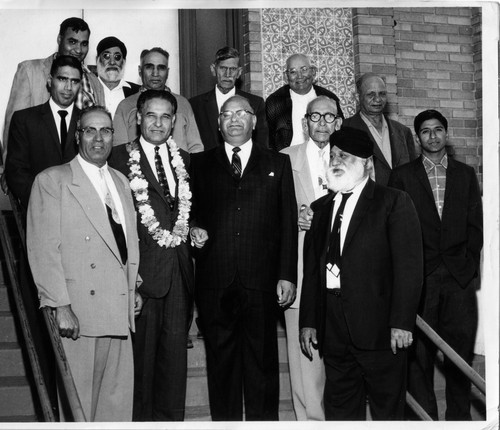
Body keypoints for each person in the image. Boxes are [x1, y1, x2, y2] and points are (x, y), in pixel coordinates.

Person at [26, 105, 142, 421]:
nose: (98, 138)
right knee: (79, 410)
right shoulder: (54, 180)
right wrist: (59, 306)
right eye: (90, 130)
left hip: (118, 312)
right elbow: (43, 249)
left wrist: (133, 286)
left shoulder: (121, 182)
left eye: (105, 130)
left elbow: (124, 244)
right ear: (78, 135)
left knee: (115, 409)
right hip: (79, 314)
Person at [299, 127, 423, 420]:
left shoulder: (393, 202)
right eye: (334, 155)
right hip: (334, 331)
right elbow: (313, 271)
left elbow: (410, 268)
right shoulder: (320, 209)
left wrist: (402, 323)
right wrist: (309, 321)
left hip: (381, 332)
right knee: (340, 411)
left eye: (346, 156)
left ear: (367, 163)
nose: (337, 161)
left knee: (387, 412)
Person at [189, 95, 297, 420]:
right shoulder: (200, 164)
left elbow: (287, 223)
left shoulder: (277, 163)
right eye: (227, 114)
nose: (234, 119)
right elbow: (189, 213)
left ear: (254, 120)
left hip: (261, 283)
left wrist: (287, 274)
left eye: (241, 113)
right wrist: (193, 227)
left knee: (262, 370)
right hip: (215, 283)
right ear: (219, 123)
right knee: (221, 371)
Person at [388, 109, 483, 421]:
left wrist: (467, 268)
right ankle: (423, 421)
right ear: (418, 138)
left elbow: (475, 227)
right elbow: (396, 230)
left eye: (438, 129)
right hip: (420, 280)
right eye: (425, 131)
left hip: (459, 280)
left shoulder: (466, 174)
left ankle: (459, 420)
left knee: (459, 355)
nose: (432, 135)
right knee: (417, 359)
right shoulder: (402, 176)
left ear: (446, 133)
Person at [109, 90, 194, 421]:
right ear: (138, 119)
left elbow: (186, 210)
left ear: (174, 122)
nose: (158, 123)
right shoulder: (117, 159)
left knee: (174, 370)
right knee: (140, 370)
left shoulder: (185, 159)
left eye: (165, 117)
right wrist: (129, 279)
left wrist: (196, 227)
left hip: (179, 275)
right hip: (141, 279)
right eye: (151, 116)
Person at [280, 95, 342, 420]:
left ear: (339, 123)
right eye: (314, 117)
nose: (321, 123)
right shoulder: (284, 158)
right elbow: (271, 213)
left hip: (342, 271)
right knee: (305, 357)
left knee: (340, 357)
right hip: (303, 271)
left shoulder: (353, 160)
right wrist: (294, 218)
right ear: (304, 123)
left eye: (328, 117)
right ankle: (309, 422)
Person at [3, 17, 104, 159]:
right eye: (72, 41)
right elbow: (13, 129)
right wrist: (8, 173)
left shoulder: (94, 82)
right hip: (37, 169)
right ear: (59, 39)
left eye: (84, 44)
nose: (78, 49)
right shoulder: (30, 71)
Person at [5, 55, 82, 210]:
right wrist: (41, 201)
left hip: (80, 212)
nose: (68, 87)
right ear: (49, 81)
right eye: (62, 79)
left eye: (74, 81)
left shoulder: (88, 121)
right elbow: (16, 171)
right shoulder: (24, 120)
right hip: (39, 210)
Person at [113, 47, 203, 153]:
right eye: (149, 67)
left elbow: (196, 147)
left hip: (180, 168)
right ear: (140, 71)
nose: (155, 73)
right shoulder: (126, 106)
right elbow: (119, 151)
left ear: (167, 72)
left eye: (161, 68)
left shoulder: (183, 103)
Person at [342, 73, 416, 185]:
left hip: (400, 200)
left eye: (382, 94)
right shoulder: (345, 129)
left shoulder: (403, 132)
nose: (377, 99)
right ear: (357, 97)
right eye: (371, 94)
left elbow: (413, 174)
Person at [189, 46, 268, 150]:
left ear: (239, 72)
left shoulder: (255, 103)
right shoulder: (195, 105)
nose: (227, 74)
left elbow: (261, 145)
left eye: (233, 69)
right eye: (222, 68)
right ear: (213, 69)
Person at [265, 53, 343, 151]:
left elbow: (340, 133)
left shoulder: (329, 98)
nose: (299, 76)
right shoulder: (275, 102)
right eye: (293, 72)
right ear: (286, 76)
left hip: (323, 158)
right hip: (287, 160)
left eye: (304, 69)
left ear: (313, 72)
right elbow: (268, 140)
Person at [95, 36, 140, 116]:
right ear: (97, 60)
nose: (112, 62)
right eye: (106, 56)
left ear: (124, 61)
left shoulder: (137, 92)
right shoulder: (87, 89)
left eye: (117, 57)